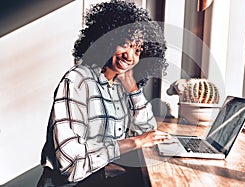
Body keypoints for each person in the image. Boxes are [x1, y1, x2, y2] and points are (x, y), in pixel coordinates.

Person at [37, 0, 169, 186]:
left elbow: (147, 134)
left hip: (101, 177)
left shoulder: (120, 85)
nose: (130, 56)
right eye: (124, 43)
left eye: (138, 50)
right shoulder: (77, 81)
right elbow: (71, 165)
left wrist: (132, 89)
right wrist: (134, 143)